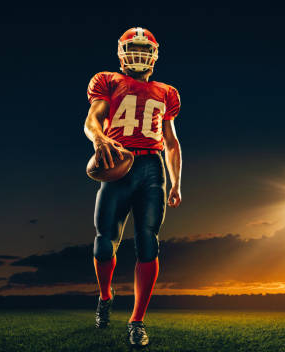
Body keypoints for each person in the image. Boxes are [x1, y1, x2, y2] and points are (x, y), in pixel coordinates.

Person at [83, 27, 182, 348]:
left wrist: (176, 181)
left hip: (152, 168)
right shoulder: (107, 80)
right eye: (132, 48)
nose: (138, 54)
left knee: (148, 243)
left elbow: (171, 142)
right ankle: (105, 297)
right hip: (117, 162)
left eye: (144, 48)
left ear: (154, 53)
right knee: (103, 244)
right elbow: (92, 119)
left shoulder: (167, 91)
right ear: (121, 52)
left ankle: (137, 320)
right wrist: (99, 138)